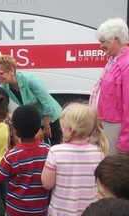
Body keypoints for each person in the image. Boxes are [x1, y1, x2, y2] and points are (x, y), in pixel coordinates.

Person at [41, 102, 109, 216]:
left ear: (66, 127)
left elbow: (47, 184)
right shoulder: (99, 153)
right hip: (91, 211)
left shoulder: (55, 152)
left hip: (62, 211)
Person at [0, 55, 62, 145]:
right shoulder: (4, 86)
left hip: (52, 117)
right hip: (36, 120)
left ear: (12, 71)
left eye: (1, 74)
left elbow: (46, 102)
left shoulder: (30, 80)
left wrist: (46, 125)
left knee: (55, 145)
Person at [0, 104, 50, 215]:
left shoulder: (11, 156)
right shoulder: (49, 151)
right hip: (40, 210)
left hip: (15, 210)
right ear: (39, 127)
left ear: (15, 131)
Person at [89, 17, 129, 154]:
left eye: (103, 42)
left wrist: (125, 141)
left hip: (115, 127)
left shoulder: (126, 64)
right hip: (108, 124)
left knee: (112, 167)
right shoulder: (114, 60)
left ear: (116, 40)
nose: (100, 46)